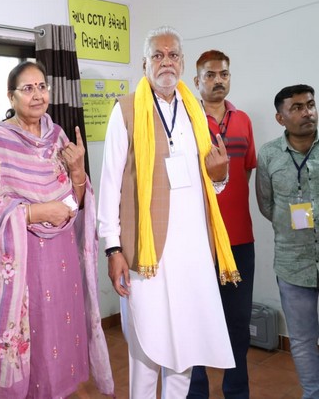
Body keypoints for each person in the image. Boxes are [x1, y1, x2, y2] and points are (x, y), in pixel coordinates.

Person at [98, 26, 241, 398]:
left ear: (181, 62)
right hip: (146, 255)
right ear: (145, 63)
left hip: (193, 253)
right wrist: (113, 250)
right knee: (146, 351)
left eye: (173, 55)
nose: (166, 62)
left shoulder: (195, 113)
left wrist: (220, 177)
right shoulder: (126, 110)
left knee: (186, 350)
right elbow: (110, 185)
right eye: (158, 55)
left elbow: (208, 184)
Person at [0, 61, 113, 398]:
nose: (37, 95)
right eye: (28, 88)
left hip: (62, 256)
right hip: (23, 259)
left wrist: (78, 174)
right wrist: (35, 212)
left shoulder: (58, 137)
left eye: (42, 87)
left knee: (61, 331)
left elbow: (75, 204)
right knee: (35, 333)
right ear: (11, 95)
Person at [188, 50, 257, 399]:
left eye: (224, 74)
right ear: (197, 80)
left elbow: (244, 170)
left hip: (240, 240)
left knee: (237, 325)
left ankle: (236, 391)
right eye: (211, 74)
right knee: (196, 321)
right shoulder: (185, 119)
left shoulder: (243, 119)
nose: (219, 80)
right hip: (197, 241)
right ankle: (195, 392)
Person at [256, 84, 319, 399]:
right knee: (303, 339)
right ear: (280, 118)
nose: (307, 112)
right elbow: (267, 206)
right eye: (296, 107)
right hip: (292, 263)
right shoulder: (268, 154)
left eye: (310, 104)